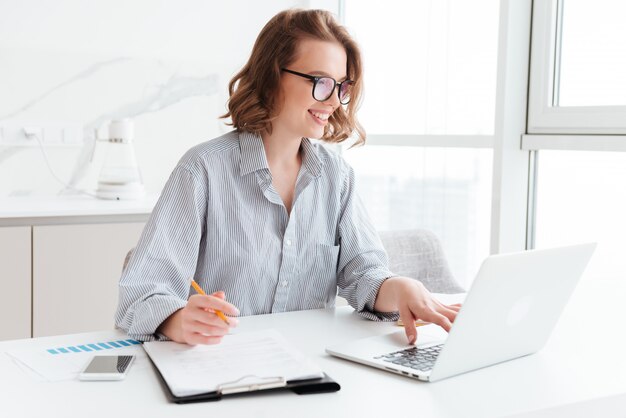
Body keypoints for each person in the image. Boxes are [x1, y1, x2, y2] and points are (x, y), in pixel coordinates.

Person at [115, 8, 460, 346]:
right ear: (271, 76)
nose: (334, 102)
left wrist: (400, 288)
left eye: (340, 86)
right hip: (219, 369)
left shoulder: (336, 178)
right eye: (320, 82)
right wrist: (177, 320)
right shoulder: (202, 170)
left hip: (310, 369)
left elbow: (364, 275)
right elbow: (141, 294)